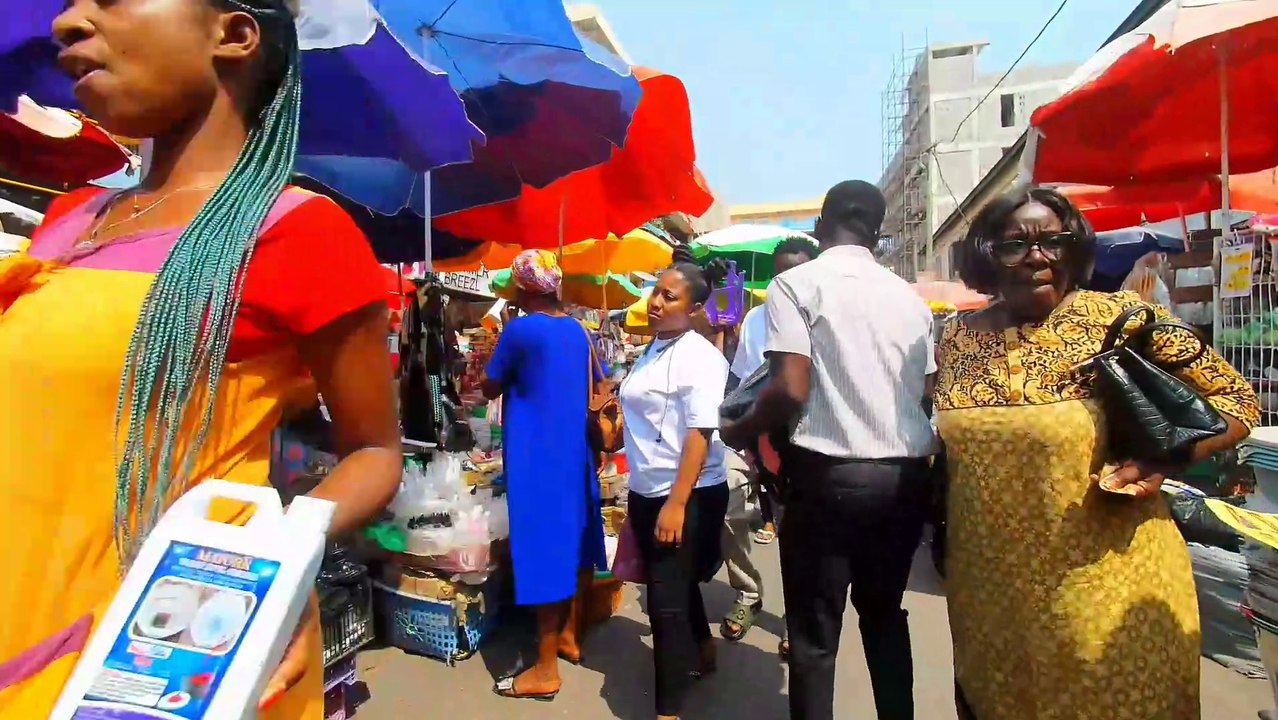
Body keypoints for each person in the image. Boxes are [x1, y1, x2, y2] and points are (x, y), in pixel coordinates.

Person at [0, 1, 403, 717]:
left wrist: (273, 571)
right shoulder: (70, 217)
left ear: (234, 34)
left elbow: (373, 451)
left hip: (152, 656)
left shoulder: (300, 233)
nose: (68, 22)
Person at [937, 187, 1259, 720]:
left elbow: (1236, 401)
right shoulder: (955, 338)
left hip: (1108, 579)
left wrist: (1164, 461)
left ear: (1074, 247)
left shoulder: (1122, 319)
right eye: (1016, 243)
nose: (1038, 256)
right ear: (987, 252)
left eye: (1053, 241)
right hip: (991, 591)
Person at [723, 180, 937, 720]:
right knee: (884, 615)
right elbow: (927, 394)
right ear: (879, 233)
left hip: (829, 482)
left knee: (815, 639)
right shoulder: (911, 300)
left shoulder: (796, 284)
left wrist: (742, 429)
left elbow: (790, 387)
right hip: (904, 481)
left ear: (821, 226)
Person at [482, 249, 606, 702]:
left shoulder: (519, 330)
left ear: (520, 288)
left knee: (540, 553)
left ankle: (545, 667)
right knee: (572, 545)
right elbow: (598, 380)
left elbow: (489, 386)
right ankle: (570, 636)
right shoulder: (577, 330)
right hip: (574, 455)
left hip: (537, 459)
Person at [620, 262, 731, 720]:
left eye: (670, 297)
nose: (656, 303)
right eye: (655, 293)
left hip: (687, 492)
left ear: (696, 308)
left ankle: (668, 711)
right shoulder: (654, 347)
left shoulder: (700, 357)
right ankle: (704, 650)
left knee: (664, 607)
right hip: (647, 488)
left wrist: (677, 503)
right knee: (674, 584)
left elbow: (699, 434)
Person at [720, 236, 818, 647]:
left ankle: (801, 620)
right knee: (725, 497)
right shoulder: (757, 319)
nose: (787, 283)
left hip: (810, 445)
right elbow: (741, 378)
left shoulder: (829, 314)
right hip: (754, 439)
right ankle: (748, 592)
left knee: (801, 536)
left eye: (795, 274)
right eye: (779, 276)